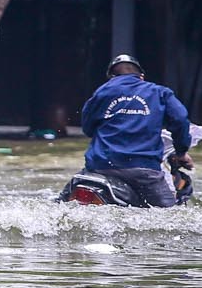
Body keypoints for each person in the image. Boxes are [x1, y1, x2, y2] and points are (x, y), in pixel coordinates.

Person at [79, 54, 195, 207]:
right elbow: (180, 120)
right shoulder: (160, 93)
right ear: (141, 77)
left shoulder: (102, 92)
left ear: (111, 78)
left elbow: (87, 128)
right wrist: (181, 152)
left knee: (62, 203)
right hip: (144, 170)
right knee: (170, 218)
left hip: (99, 166)